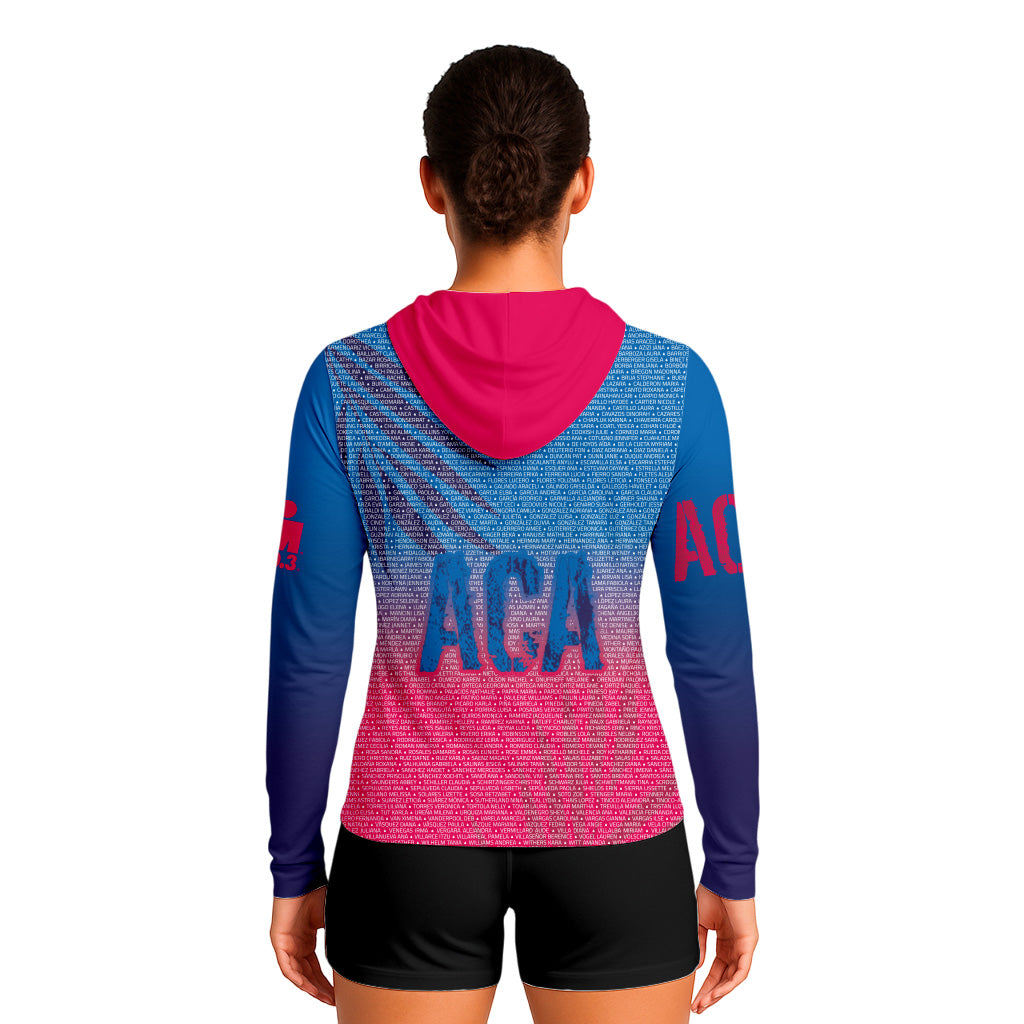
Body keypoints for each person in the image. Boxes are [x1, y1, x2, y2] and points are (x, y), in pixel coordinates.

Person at [266, 44, 759, 1024]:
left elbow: (309, 649)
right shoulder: (672, 388)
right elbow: (711, 652)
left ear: (431, 185)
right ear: (582, 184)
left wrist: (293, 862)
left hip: (407, 840)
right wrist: (733, 862)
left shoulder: (347, 385)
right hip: (614, 833)